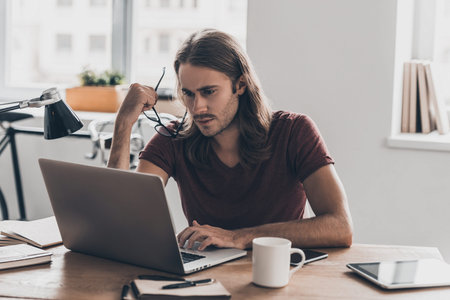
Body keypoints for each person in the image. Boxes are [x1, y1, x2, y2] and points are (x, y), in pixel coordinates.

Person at [107, 29, 353, 251]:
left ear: (241, 85)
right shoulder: (173, 138)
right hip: (205, 279)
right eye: (188, 94)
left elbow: (339, 226)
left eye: (209, 92)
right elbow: (121, 221)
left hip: (278, 275)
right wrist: (123, 124)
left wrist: (239, 237)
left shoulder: (294, 131)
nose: (197, 107)